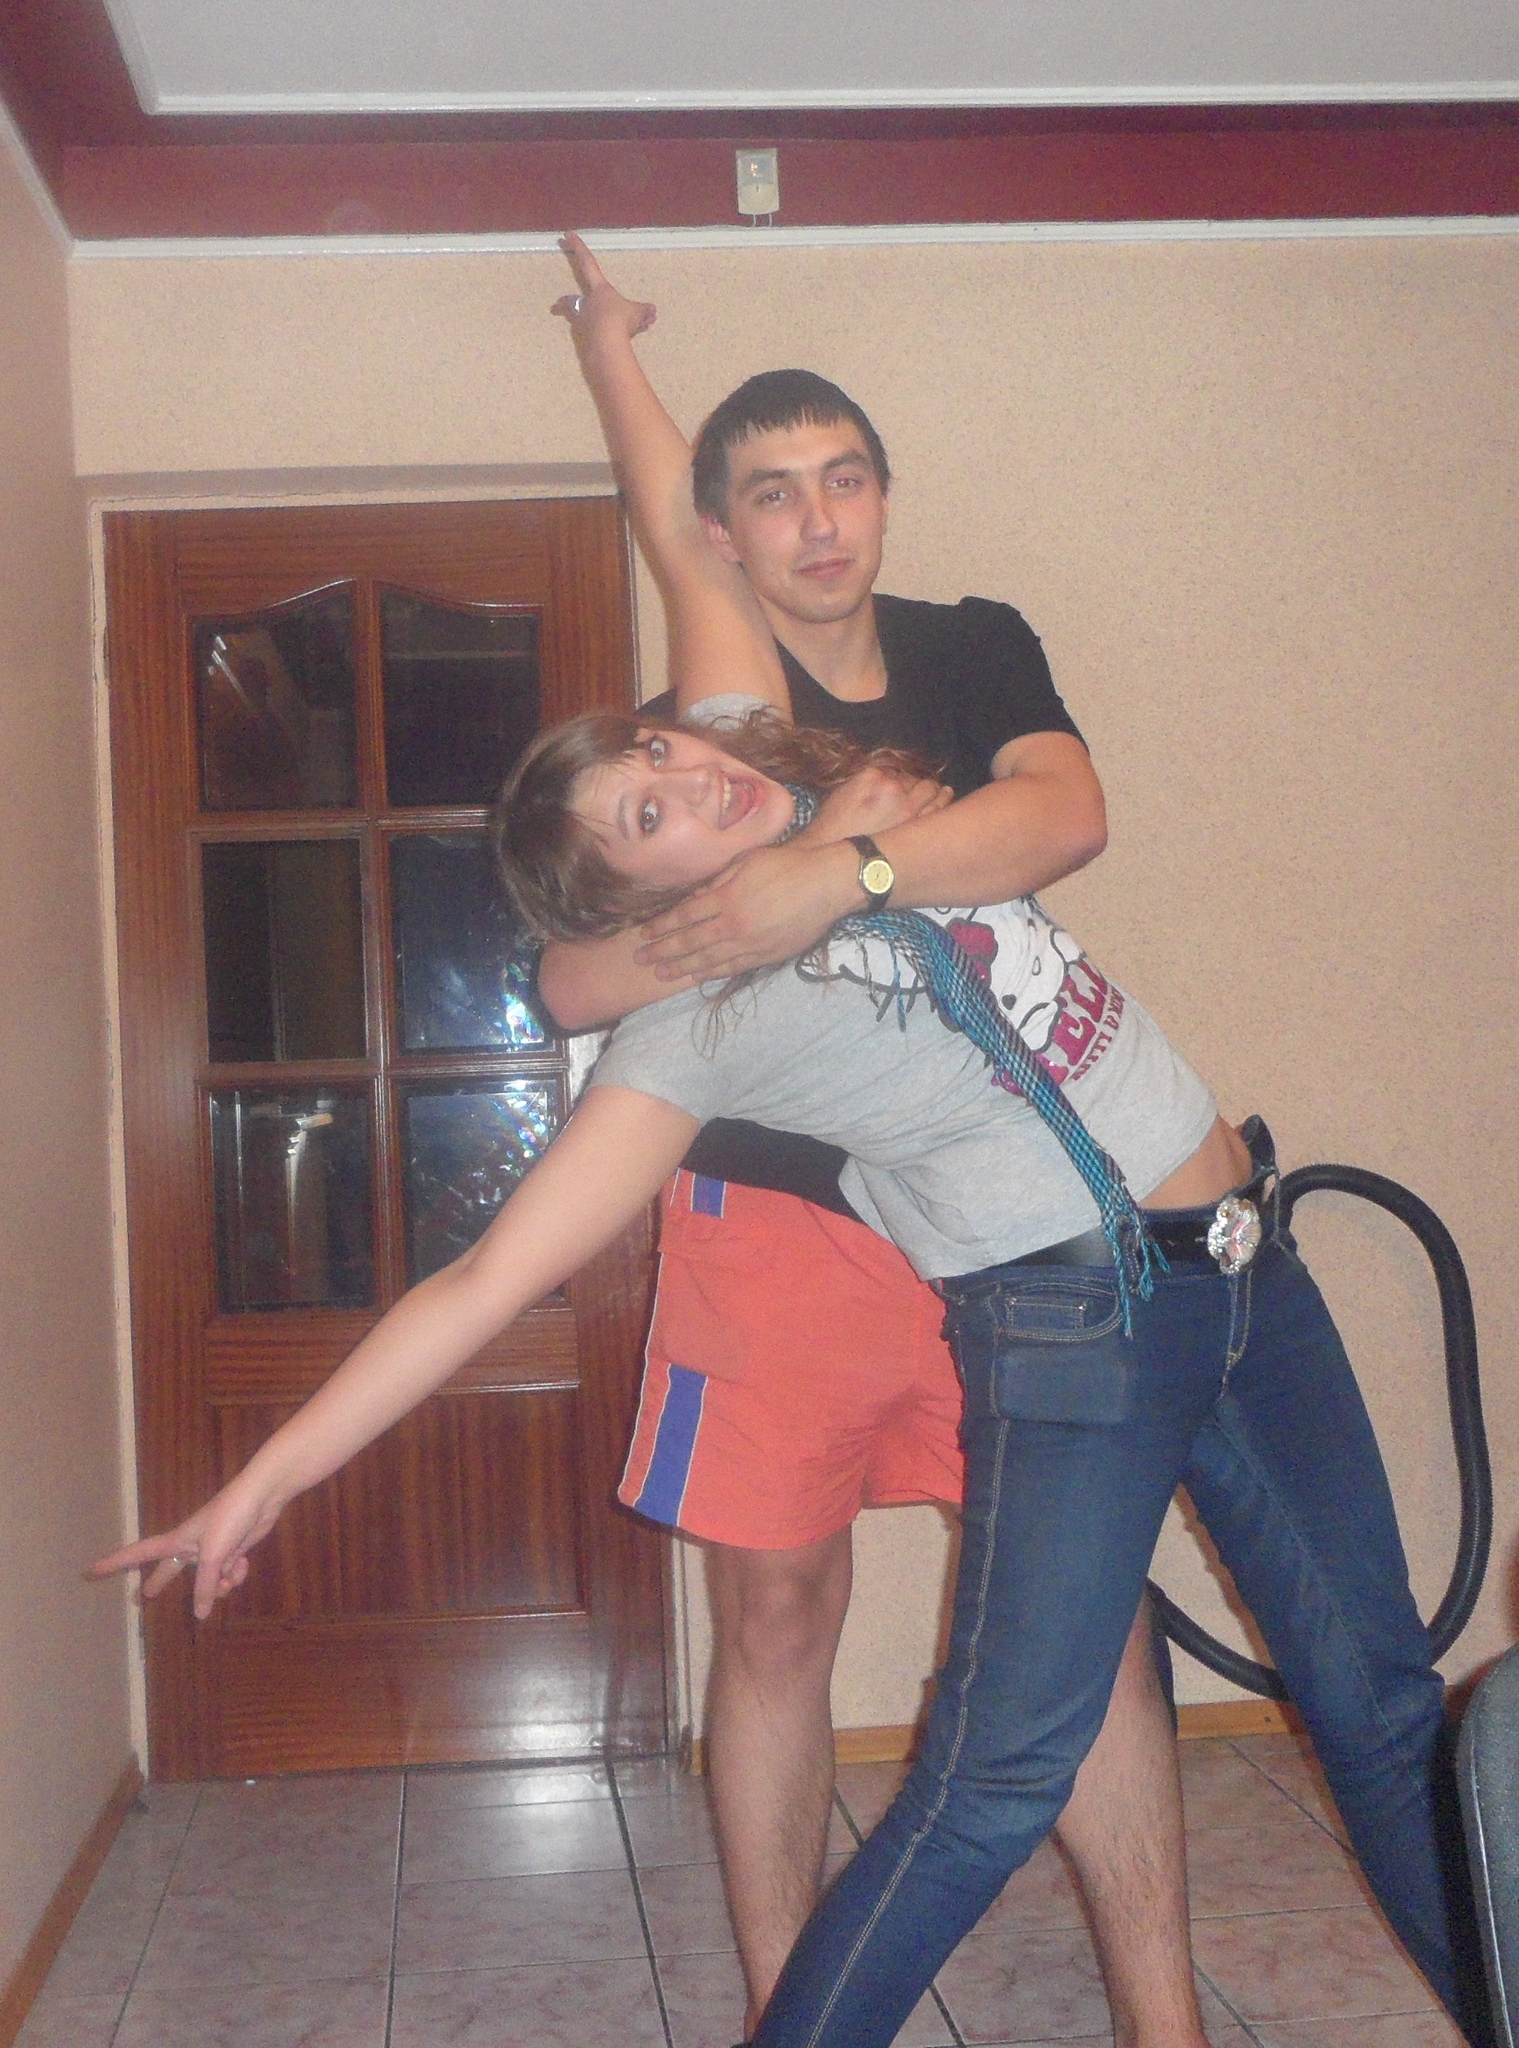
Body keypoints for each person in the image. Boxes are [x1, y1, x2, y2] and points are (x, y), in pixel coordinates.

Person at [94, 693, 1485, 2048]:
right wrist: (264, 1482)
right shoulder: (698, 1025)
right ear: (640, 909)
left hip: (1252, 1276)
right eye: (649, 816)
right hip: (1082, 1331)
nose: (691, 777)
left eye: (659, 749)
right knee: (990, 1788)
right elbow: (482, 1281)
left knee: (1381, 1718)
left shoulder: (848, 818)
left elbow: (1029, 805)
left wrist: (840, 855)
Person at [540, 238, 1206, 2043]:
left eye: (843, 480)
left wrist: (835, 871)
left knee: (1082, 1615)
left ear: (883, 497)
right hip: (769, 1234)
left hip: (1001, 1220)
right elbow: (572, 968)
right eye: (772, 494)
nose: (817, 521)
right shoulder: (709, 729)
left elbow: (1060, 816)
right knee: (774, 1617)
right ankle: (798, 2012)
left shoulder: (973, 646)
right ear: (730, 533)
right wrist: (608, 348)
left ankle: (1163, 2021)